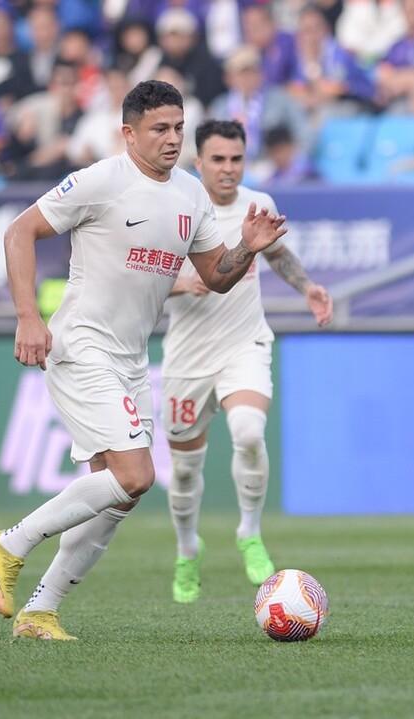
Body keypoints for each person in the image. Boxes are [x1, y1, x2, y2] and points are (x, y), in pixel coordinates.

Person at [0, 80, 288, 641]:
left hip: (131, 360)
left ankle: (41, 612)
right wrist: (28, 316)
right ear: (129, 133)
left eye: (178, 128)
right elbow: (20, 231)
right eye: (159, 129)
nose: (172, 139)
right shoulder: (101, 180)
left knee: (118, 495)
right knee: (136, 474)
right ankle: (10, 543)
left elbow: (217, 277)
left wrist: (247, 247)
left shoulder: (190, 194)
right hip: (82, 344)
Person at [163, 119, 331, 604]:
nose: (228, 169)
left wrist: (307, 287)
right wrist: (181, 283)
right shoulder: (174, 209)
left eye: (236, 159)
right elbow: (140, 274)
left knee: (249, 432)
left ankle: (249, 533)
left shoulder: (259, 205)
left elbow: (276, 254)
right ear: (199, 162)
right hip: (188, 356)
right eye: (218, 159)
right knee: (185, 471)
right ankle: (187, 549)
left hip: (244, 343)